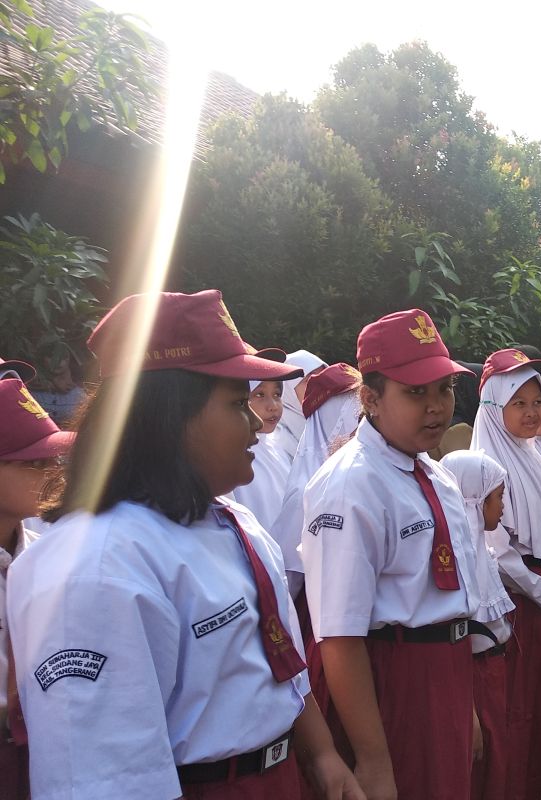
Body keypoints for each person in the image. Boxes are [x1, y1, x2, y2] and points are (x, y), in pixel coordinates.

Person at [7, 290, 362, 800]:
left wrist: (322, 756)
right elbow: (103, 776)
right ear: (168, 416)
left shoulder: (231, 520)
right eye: (238, 404)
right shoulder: (93, 566)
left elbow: (275, 660)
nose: (258, 424)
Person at [301, 308, 484, 800]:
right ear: (371, 399)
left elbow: (450, 602)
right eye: (415, 392)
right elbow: (338, 636)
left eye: (444, 389)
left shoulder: (433, 471)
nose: (437, 407)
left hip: (443, 674)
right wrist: (374, 760)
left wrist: (461, 705)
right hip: (391, 686)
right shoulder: (351, 485)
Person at [469, 348, 541, 800]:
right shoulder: (484, 466)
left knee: (536, 697)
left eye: (539, 402)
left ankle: (530, 780)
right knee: (511, 703)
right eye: (520, 403)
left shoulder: (537, 456)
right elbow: (496, 551)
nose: (534, 413)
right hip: (511, 606)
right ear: (495, 408)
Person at [0, 361, 73, 798]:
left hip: (39, 753)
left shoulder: (47, 554)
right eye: (33, 462)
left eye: (53, 458)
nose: (53, 473)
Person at [438, 450, 515, 800]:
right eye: (497, 498)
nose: (502, 508)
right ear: (472, 501)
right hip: (474, 682)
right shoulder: (460, 561)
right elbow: (456, 649)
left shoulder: (479, 549)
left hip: (491, 673)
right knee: (479, 766)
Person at [270, 363, 362, 598]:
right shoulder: (307, 491)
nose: (359, 430)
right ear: (331, 422)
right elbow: (287, 583)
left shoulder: (363, 477)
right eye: (354, 418)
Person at [230, 377, 291, 529]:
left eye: (277, 395)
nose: (273, 406)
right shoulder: (229, 459)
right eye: (259, 395)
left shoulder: (277, 449)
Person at [276, 350, 328, 458]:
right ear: (288, 389)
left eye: (324, 376)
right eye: (309, 380)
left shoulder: (342, 415)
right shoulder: (278, 438)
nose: (321, 385)